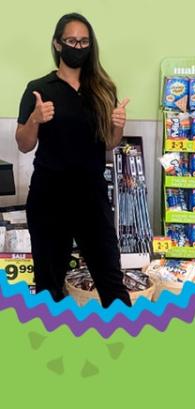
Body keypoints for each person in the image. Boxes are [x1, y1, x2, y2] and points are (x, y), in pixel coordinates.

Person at [15, 13, 130, 307]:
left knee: (110, 278)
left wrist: (118, 124)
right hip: (49, 196)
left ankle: (128, 344)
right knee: (49, 285)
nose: (78, 47)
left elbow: (109, 144)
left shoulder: (103, 89)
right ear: (57, 44)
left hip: (91, 195)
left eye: (84, 42)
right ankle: (47, 346)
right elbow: (24, 144)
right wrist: (35, 120)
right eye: (71, 41)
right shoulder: (39, 89)